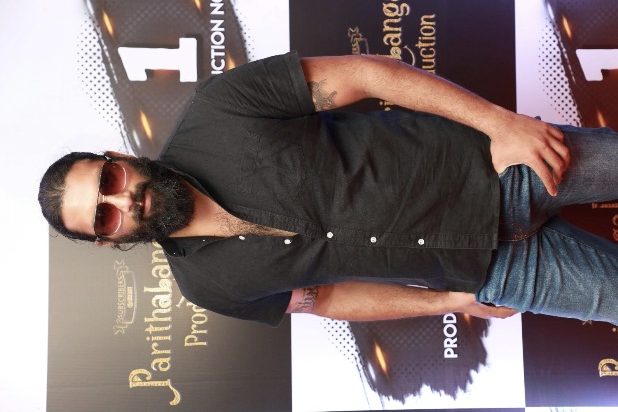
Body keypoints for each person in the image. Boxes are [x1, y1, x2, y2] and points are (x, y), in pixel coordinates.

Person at [39, 52, 618, 326]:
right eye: (103, 215)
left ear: (117, 158)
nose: (122, 200)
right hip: (489, 270)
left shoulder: (219, 110)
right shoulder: (207, 287)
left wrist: (500, 123)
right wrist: (447, 302)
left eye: (108, 180)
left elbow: (366, 74)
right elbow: (328, 300)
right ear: (107, 240)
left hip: (499, 167)